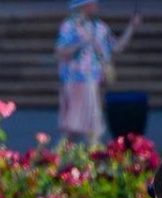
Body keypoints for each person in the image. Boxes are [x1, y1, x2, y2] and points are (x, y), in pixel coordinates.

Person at [55, 0, 140, 144]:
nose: (96, 6)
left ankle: (92, 152)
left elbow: (117, 47)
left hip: (92, 81)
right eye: (92, 3)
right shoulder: (70, 26)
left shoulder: (100, 27)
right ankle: (64, 154)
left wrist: (131, 27)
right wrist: (81, 43)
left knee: (93, 126)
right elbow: (60, 51)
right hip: (74, 81)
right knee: (71, 128)